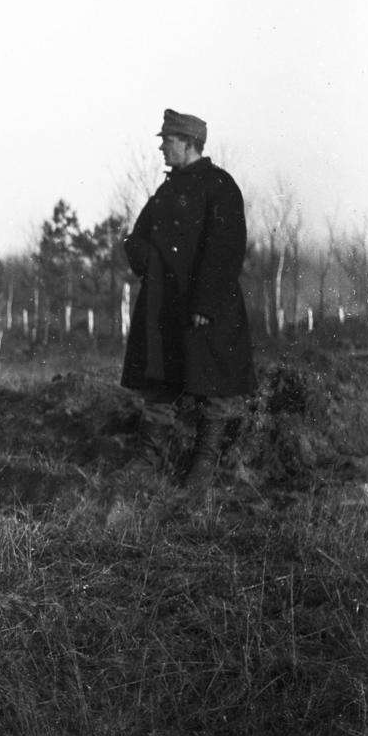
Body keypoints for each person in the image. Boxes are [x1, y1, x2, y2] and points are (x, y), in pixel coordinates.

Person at [120, 109, 256, 489]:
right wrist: (144, 256)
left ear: (188, 143)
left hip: (204, 308)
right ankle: (148, 460)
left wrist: (205, 305)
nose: (162, 147)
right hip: (165, 306)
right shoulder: (166, 190)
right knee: (160, 385)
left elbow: (226, 250)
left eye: (168, 140)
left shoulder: (220, 186)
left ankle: (203, 466)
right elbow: (138, 236)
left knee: (211, 386)